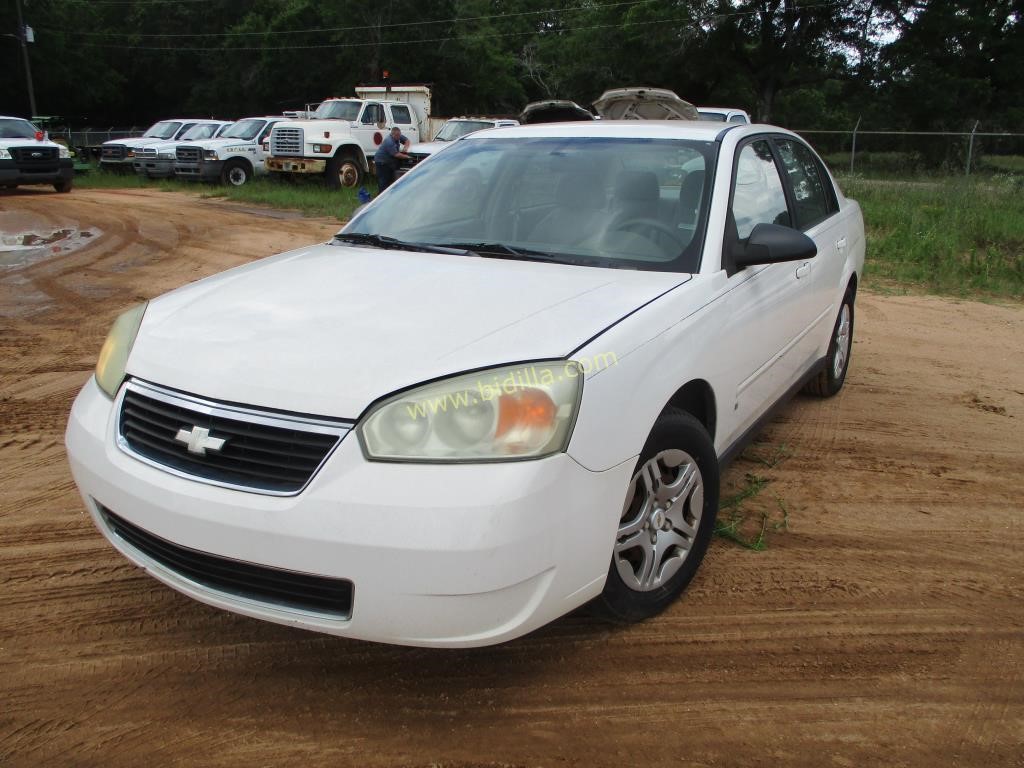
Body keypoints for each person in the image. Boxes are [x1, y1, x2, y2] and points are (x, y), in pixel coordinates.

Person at [373, 126, 411, 193]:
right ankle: (381, 195)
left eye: (399, 135)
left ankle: (389, 192)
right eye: (397, 135)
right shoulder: (389, 141)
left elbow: (407, 141)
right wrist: (407, 157)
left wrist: (405, 148)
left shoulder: (398, 136)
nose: (399, 137)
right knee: (383, 180)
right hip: (381, 161)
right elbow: (396, 154)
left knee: (390, 178)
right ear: (393, 135)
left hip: (389, 161)